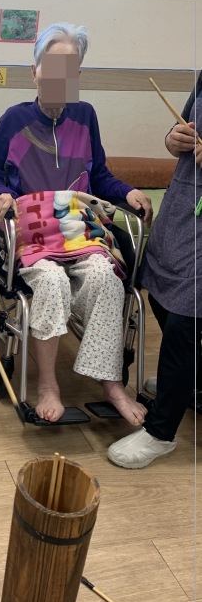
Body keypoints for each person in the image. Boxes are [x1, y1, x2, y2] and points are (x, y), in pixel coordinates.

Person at [0, 16, 136, 428]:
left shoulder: (86, 116)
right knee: (50, 282)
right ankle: (48, 384)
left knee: (106, 278)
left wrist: (127, 192)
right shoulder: (14, 120)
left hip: (80, 230)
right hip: (34, 233)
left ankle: (111, 384)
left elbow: (99, 175)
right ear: (34, 72)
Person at [116, 79, 202, 463]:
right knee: (160, 293)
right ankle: (190, 380)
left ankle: (161, 431)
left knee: (186, 317)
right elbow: (181, 127)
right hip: (184, 202)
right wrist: (174, 139)